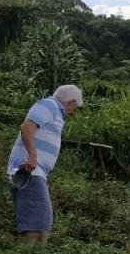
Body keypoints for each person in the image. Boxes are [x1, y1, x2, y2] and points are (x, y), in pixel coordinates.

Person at [6, 85, 83, 245]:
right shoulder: (49, 105)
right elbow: (26, 128)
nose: (72, 112)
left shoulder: (53, 110)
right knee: (37, 219)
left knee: (40, 220)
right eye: (74, 108)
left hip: (34, 172)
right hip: (30, 171)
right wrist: (33, 157)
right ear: (71, 102)